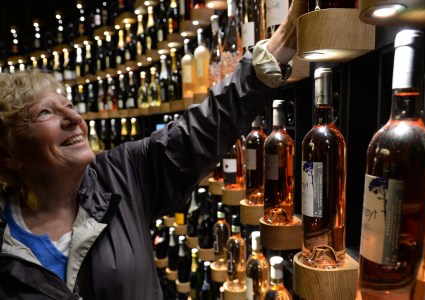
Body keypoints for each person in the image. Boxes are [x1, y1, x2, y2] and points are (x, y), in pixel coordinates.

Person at [0, 0, 308, 298]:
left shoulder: (122, 175)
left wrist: (281, 46)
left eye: (69, 105)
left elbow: (202, 129)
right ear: (9, 154)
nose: (74, 118)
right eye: (45, 113)